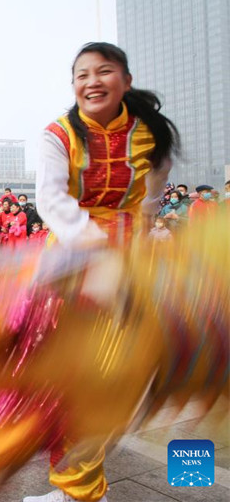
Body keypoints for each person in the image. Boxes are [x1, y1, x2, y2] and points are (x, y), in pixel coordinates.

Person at [32, 42, 179, 502]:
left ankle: (80, 490)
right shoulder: (58, 135)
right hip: (73, 265)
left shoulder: (151, 137)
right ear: (73, 85)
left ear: (126, 81)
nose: (92, 81)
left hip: (128, 268)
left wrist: (145, 235)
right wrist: (96, 250)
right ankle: (78, 484)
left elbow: (152, 197)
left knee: (100, 377)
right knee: (61, 376)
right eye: (81, 74)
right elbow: (52, 202)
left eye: (104, 71)